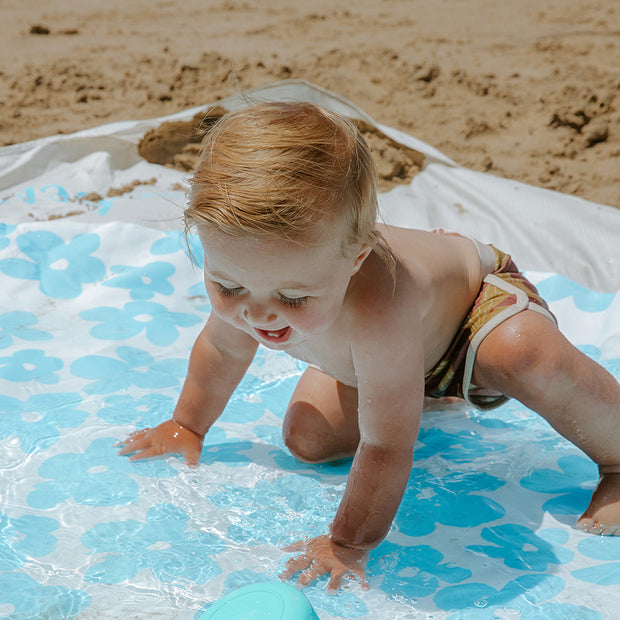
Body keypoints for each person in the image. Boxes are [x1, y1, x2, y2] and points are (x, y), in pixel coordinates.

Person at [118, 101, 620, 591]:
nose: (259, 314)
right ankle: (418, 393)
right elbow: (223, 351)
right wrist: (187, 425)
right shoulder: (260, 276)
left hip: (471, 318)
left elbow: (387, 444)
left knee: (525, 356)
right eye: (227, 287)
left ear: (356, 259)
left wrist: (349, 542)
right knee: (308, 440)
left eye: (293, 297)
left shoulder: (380, 300)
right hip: (396, 358)